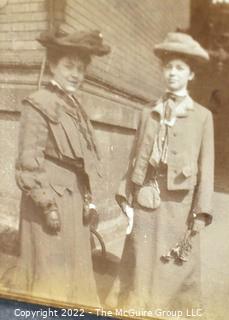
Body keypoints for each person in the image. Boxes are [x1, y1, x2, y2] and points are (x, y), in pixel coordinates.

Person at [106, 32, 214, 314]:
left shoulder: (202, 117)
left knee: (173, 266)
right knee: (141, 260)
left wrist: (201, 211)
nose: (172, 74)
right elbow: (134, 158)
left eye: (180, 68)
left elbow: (207, 165)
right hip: (146, 198)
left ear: (191, 74)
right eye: (168, 67)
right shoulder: (147, 111)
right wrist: (126, 194)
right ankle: (136, 308)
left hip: (179, 204)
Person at [2, 29, 110, 307]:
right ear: (52, 65)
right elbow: (27, 161)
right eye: (68, 66)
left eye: (80, 68)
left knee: (74, 271)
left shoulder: (74, 105)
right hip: (48, 202)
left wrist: (89, 200)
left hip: (73, 198)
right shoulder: (38, 103)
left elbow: (82, 160)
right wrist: (47, 205)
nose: (75, 74)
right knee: (49, 275)